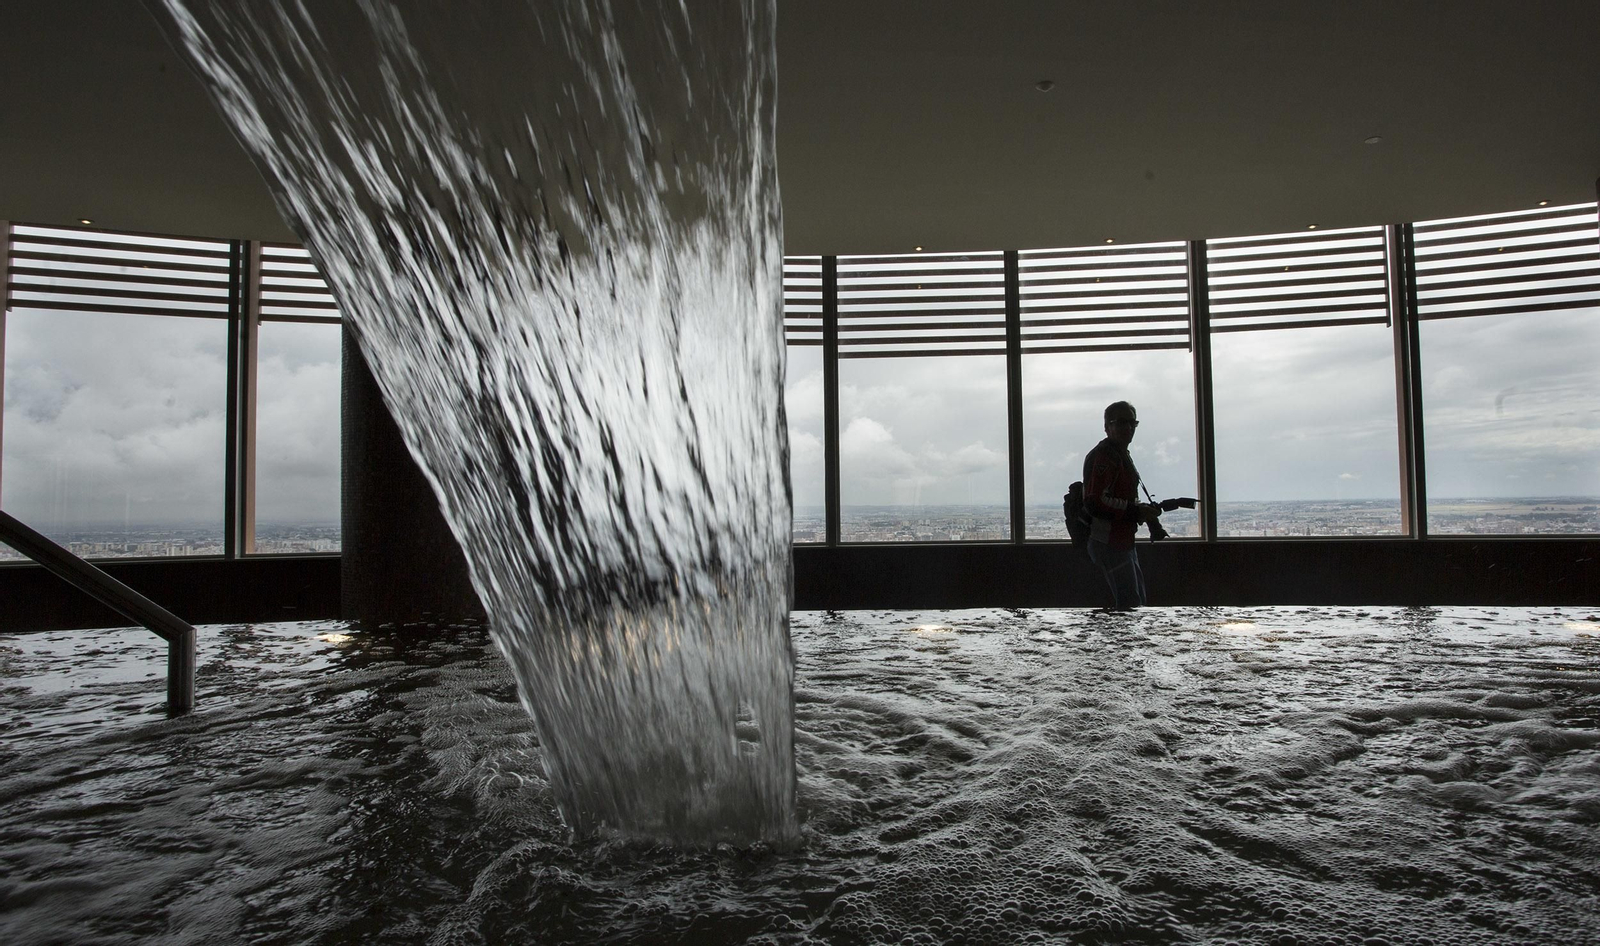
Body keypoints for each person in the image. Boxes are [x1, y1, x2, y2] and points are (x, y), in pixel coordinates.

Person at [1082, 401, 1160, 610]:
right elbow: (1095, 501)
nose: (1128, 428)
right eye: (1121, 423)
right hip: (1109, 543)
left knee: (1135, 602)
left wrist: (1138, 510)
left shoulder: (1119, 454)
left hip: (1121, 542)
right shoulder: (1105, 456)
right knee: (1130, 606)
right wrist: (1135, 511)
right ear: (1107, 427)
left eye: (1132, 423)